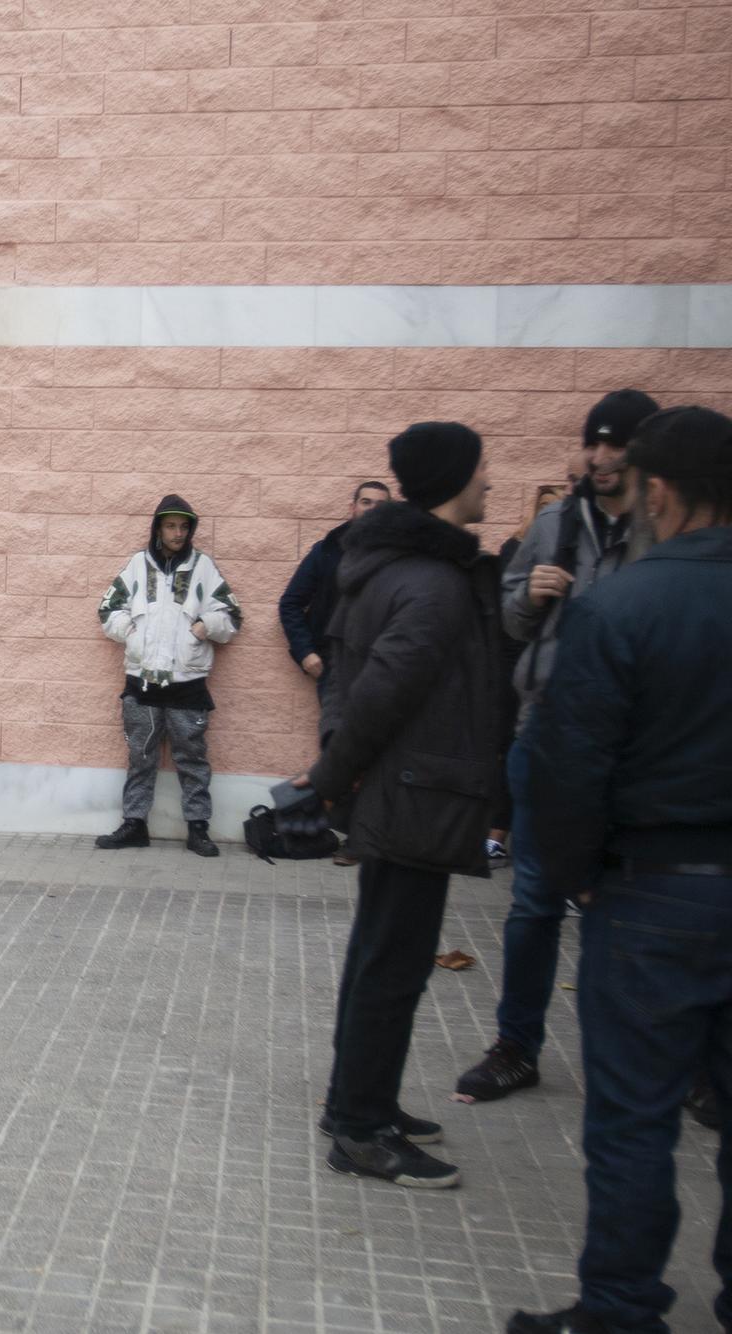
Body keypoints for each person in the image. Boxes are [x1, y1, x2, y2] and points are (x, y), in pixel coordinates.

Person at [507, 406, 732, 1334]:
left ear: (662, 493)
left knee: (634, 1120)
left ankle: (620, 1309)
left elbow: (570, 768)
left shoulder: (620, 605)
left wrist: (576, 876)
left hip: (651, 894)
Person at [300, 420, 499, 1189]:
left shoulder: (389, 568)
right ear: (452, 481)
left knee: (379, 956)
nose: (489, 483)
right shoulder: (435, 583)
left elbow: (344, 680)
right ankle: (359, 1128)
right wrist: (331, 775)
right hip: (416, 795)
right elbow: (377, 694)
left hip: (402, 791)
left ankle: (360, 1100)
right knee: (394, 966)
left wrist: (341, 771)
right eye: (481, 472)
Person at [456, 388, 659, 1104]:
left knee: (628, 902)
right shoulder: (554, 524)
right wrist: (529, 596)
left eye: (615, 447)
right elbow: (509, 625)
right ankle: (516, 1047)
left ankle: (651, 1063)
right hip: (546, 736)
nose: (599, 458)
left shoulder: (664, 531)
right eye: (592, 444)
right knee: (534, 901)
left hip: (636, 747)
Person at [92, 496, 242, 857]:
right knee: (140, 756)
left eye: (183, 526)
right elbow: (108, 608)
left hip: (187, 683)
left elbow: (232, 615)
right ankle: (134, 824)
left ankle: (198, 827)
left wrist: (207, 626)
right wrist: (129, 631)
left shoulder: (204, 567)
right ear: (158, 528)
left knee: (192, 758)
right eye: (170, 525)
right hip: (141, 681)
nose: (177, 533)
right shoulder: (137, 566)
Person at [485, 482, 567, 866]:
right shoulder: (514, 551)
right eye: (546, 509)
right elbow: (505, 613)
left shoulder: (575, 551)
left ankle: (507, 835)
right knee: (506, 747)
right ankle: (495, 835)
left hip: (541, 670)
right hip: (510, 664)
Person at [278, 479, 390, 695]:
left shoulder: (399, 558)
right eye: (366, 502)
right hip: (335, 667)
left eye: (381, 505)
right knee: (337, 729)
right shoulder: (326, 551)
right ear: (353, 508)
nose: (372, 510)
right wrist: (305, 652)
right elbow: (290, 603)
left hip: (383, 667)